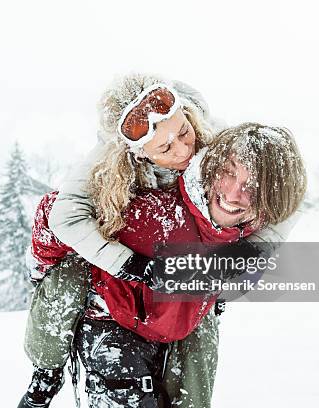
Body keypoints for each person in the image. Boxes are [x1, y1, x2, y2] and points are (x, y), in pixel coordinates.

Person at [18, 74, 300, 408]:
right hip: (119, 286)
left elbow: (286, 199)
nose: (184, 148)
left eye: (184, 132)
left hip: (187, 283)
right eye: (165, 147)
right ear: (138, 152)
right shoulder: (109, 170)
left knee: (197, 353)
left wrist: (243, 257)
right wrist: (131, 266)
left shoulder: (216, 145)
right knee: (68, 278)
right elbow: (58, 216)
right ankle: (46, 375)